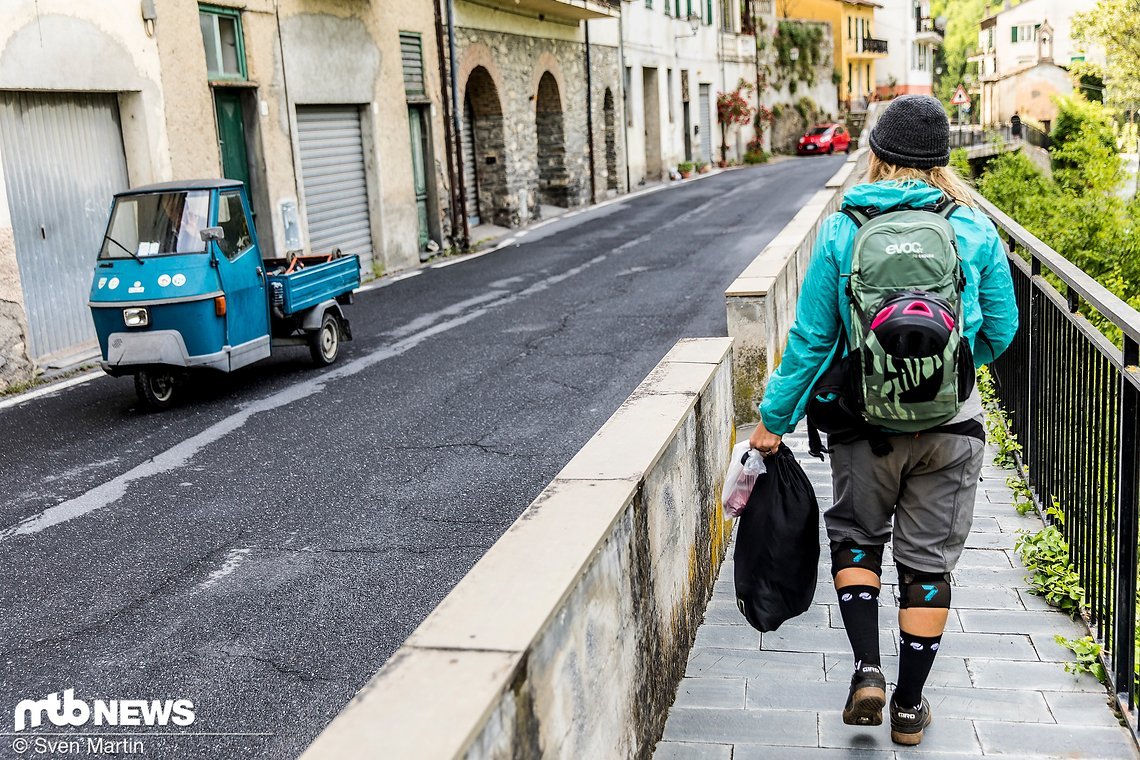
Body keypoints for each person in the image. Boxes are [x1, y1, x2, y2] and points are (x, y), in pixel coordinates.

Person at [749, 95, 1018, 746]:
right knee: (926, 565)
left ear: (878, 153)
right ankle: (907, 706)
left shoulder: (846, 227)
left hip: (863, 424)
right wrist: (950, 371)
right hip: (952, 426)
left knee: (859, 540)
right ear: (941, 161)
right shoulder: (973, 228)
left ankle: (866, 669)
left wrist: (771, 421)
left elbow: (811, 340)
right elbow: (1002, 331)